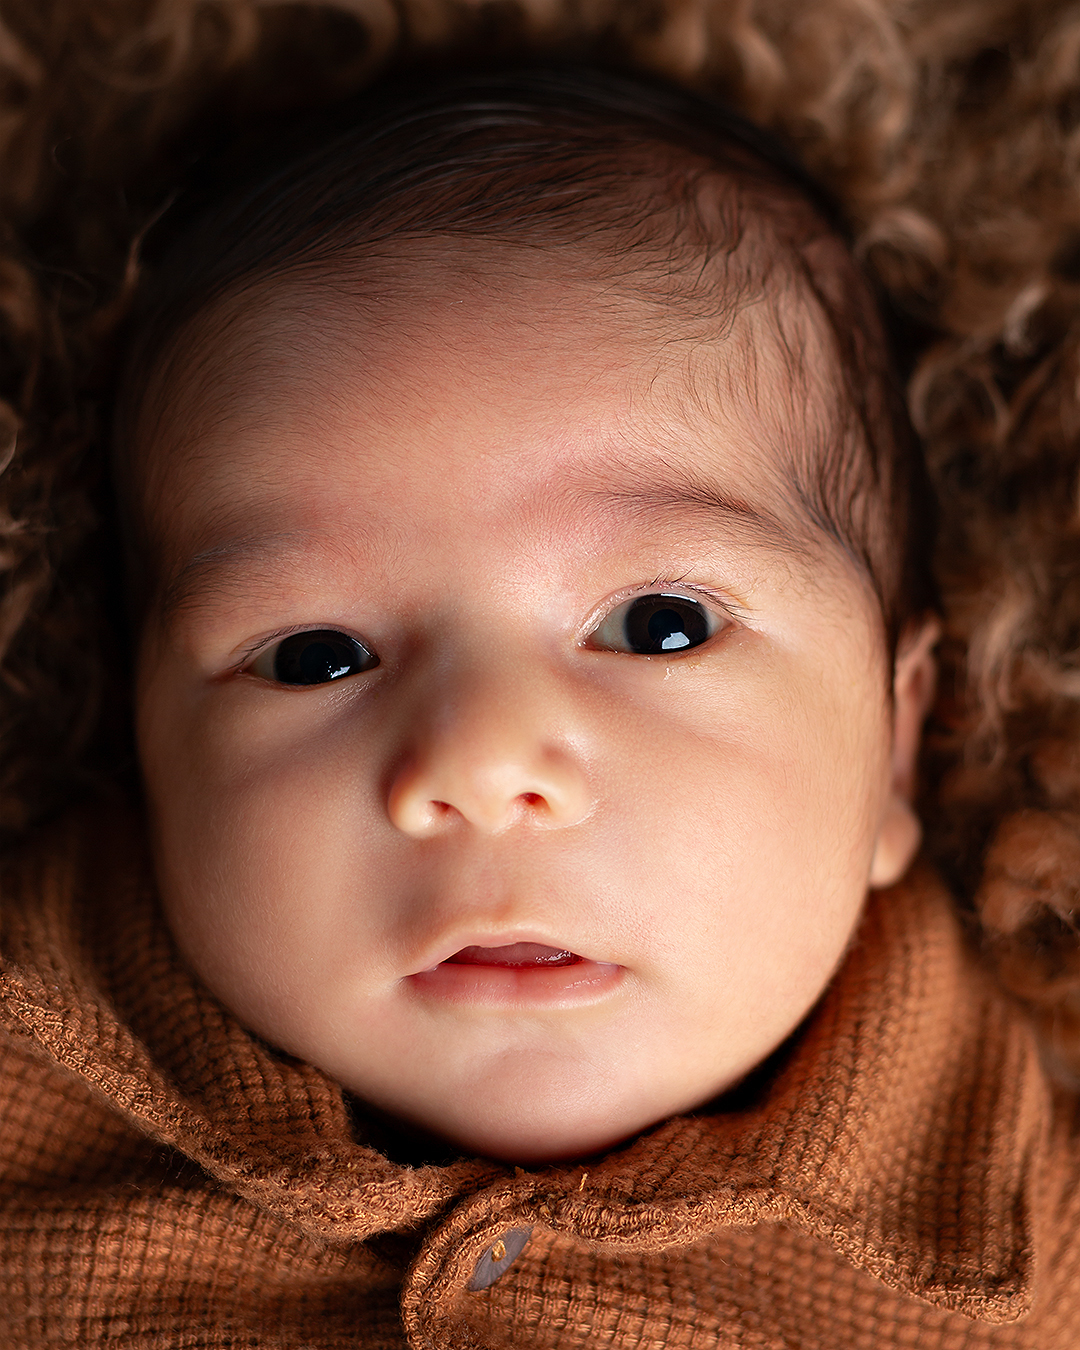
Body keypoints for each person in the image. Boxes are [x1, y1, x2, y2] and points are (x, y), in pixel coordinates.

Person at [0, 63, 1075, 1349]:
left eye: (658, 626)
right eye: (315, 655)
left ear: (896, 744)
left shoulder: (1014, 1229)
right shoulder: (38, 1080)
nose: (481, 762)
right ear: (144, 739)